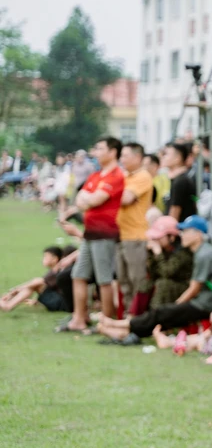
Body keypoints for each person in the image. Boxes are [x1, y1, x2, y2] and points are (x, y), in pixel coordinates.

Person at [95, 215, 212, 344]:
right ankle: (124, 329)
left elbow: (193, 288)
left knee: (165, 312)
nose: (182, 235)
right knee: (163, 312)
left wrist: (177, 305)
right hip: (202, 301)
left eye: (185, 231)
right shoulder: (201, 251)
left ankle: (122, 327)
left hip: (207, 304)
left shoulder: (204, 254)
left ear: (198, 234)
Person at [62, 137, 126, 332]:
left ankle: (106, 322)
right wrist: (87, 199)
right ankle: (78, 318)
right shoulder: (96, 175)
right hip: (90, 233)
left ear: (113, 152)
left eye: (100, 148)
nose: (96, 152)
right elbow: (81, 198)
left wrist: (87, 199)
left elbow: (95, 200)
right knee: (78, 275)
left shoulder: (116, 176)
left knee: (104, 279)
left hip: (105, 233)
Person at [116, 142, 153, 315]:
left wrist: (112, 193)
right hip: (121, 235)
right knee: (123, 281)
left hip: (136, 237)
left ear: (138, 157)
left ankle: (138, 318)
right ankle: (128, 317)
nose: (121, 159)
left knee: (137, 280)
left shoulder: (143, 176)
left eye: (125, 155)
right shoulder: (124, 176)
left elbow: (125, 199)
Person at [146, 216, 194, 309]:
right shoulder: (164, 249)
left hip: (185, 286)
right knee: (145, 284)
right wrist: (151, 255)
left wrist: (158, 253)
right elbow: (153, 274)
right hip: (170, 283)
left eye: (159, 236)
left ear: (171, 237)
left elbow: (166, 272)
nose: (156, 239)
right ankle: (139, 316)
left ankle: (155, 317)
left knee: (163, 284)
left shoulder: (182, 251)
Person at [1, 246, 65, 312]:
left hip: (60, 303)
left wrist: (12, 292)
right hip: (59, 301)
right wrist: (36, 301)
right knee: (34, 285)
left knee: (37, 281)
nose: (43, 259)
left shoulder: (56, 272)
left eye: (45, 256)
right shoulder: (53, 272)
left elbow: (39, 284)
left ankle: (8, 305)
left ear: (54, 259)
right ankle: (9, 303)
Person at [162, 142, 197, 222]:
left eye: (166, 154)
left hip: (179, 230)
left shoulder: (180, 181)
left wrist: (170, 231)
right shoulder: (177, 179)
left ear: (177, 158)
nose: (163, 157)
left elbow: (174, 212)